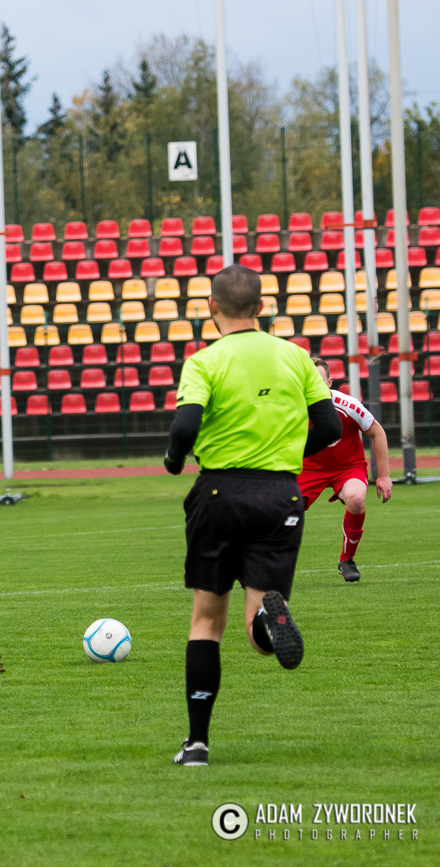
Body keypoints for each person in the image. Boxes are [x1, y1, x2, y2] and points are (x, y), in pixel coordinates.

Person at [163, 265, 341, 767]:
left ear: (212, 307)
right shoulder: (297, 356)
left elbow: (185, 425)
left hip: (220, 491)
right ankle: (267, 617)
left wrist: (174, 460)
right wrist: (283, 454)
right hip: (280, 494)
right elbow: (329, 427)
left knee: (206, 620)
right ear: (261, 307)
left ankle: (197, 745)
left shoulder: (204, 361)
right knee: (257, 635)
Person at [298, 357, 393, 582]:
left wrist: (384, 476)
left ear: (329, 382)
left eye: (319, 381)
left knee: (357, 498)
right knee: (281, 509)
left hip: (348, 467)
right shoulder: (291, 408)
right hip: (308, 467)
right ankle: (259, 566)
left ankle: (347, 559)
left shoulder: (348, 405)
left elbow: (377, 432)